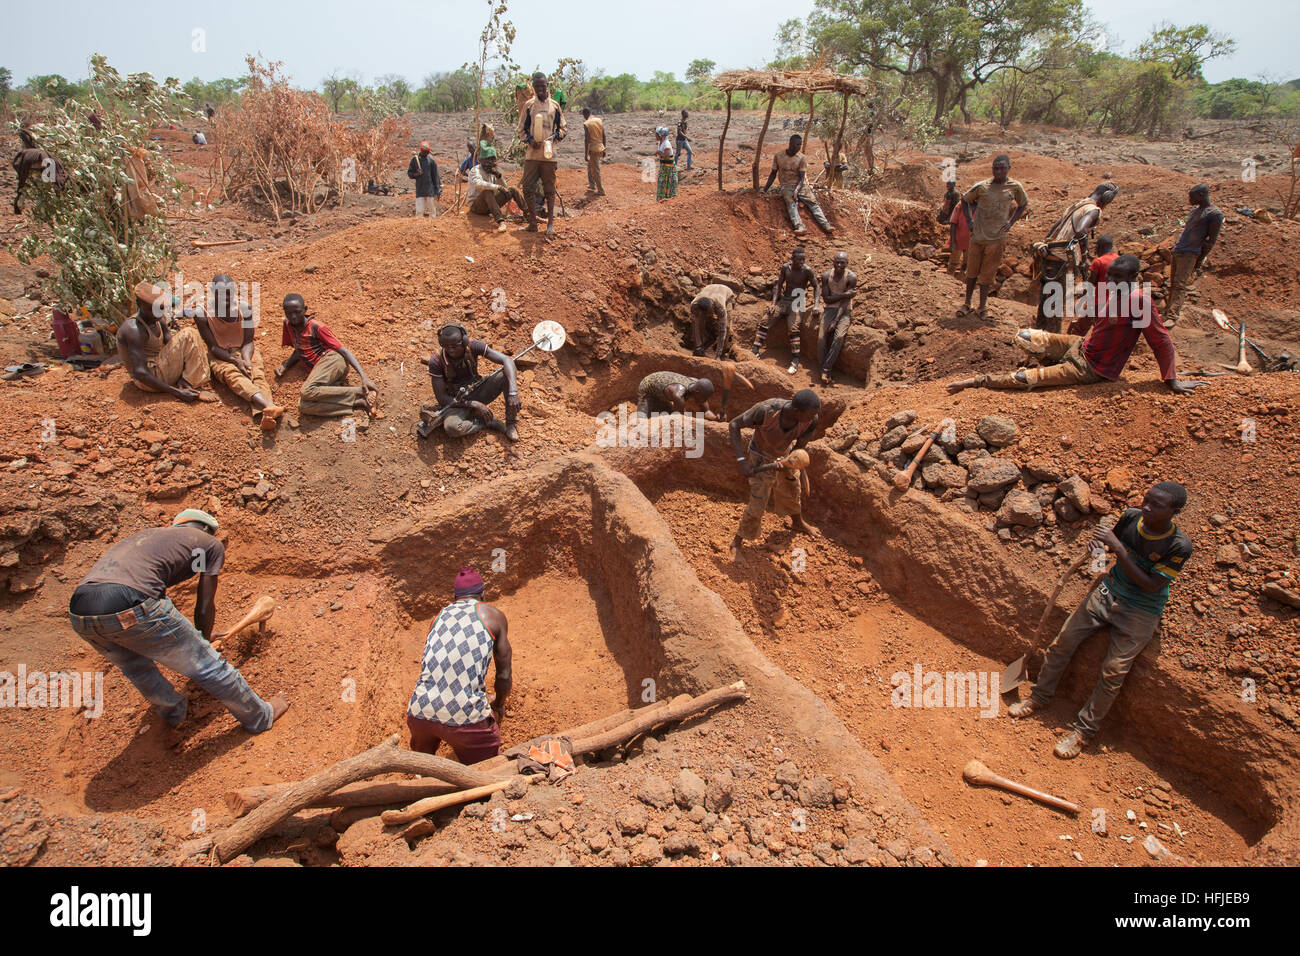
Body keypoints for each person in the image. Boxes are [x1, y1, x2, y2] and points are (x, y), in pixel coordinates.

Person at [1009, 482, 1194, 759]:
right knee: (1063, 642)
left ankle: (1084, 731)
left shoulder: (1179, 546)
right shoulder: (1132, 517)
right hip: (1108, 591)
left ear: (1175, 511)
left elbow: (1150, 585)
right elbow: (1104, 551)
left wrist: (1118, 548)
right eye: (1146, 500)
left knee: (1113, 672)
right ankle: (1039, 696)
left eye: (1156, 505)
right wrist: (1097, 547)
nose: (1146, 507)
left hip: (1142, 608)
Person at [67, 510, 289, 734]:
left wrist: (193, 634)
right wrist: (201, 641)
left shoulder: (151, 538)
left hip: (80, 613)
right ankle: (261, 717)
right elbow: (204, 604)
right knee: (207, 664)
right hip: (130, 603)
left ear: (180, 524)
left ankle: (175, 714)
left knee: (136, 667)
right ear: (206, 530)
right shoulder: (208, 544)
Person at [946, 255, 1207, 396]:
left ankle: (977, 382)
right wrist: (1071, 339)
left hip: (1093, 367)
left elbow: (1160, 340)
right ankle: (1054, 362)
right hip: (1081, 347)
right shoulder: (1109, 291)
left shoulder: (1139, 301)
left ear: (1134, 278)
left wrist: (1171, 379)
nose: (1113, 281)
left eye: (1119, 278)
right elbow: (1088, 318)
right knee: (1024, 337)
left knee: (1025, 379)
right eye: (1111, 276)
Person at [407, 567, 511, 764]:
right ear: (483, 593)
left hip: (419, 712)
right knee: (487, 767)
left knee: (423, 765)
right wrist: (498, 706)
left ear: (455, 597)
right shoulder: (493, 616)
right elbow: (504, 676)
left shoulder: (438, 617)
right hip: (465, 719)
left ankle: (422, 779)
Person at [728, 390, 820, 559]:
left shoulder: (810, 420)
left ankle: (797, 523)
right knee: (758, 501)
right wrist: (742, 460)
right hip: (759, 455)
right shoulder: (766, 410)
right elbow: (734, 425)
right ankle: (737, 542)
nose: (814, 417)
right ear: (797, 410)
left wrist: (790, 462)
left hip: (785, 456)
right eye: (810, 414)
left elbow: (799, 446)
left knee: (793, 488)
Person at [191, 274, 285, 431]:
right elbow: (213, 347)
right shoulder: (202, 314)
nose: (226, 298)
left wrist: (246, 359)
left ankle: (266, 414)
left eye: (229, 293)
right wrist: (236, 361)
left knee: (256, 374)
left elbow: (249, 341)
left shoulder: (244, 309)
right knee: (234, 377)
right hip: (221, 354)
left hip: (246, 350)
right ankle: (269, 406)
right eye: (221, 293)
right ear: (212, 291)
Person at [1033, 181, 1118, 332]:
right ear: (1107, 198)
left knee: (1045, 305)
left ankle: (1036, 340)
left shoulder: (1077, 205)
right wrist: (1084, 257)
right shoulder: (1093, 210)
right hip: (1061, 262)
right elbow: (1080, 230)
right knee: (1055, 308)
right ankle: (1050, 346)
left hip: (1050, 258)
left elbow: (1052, 230)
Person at [275, 294, 377, 418]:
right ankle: (358, 402)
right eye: (289, 313)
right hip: (321, 373)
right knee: (304, 406)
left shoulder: (317, 327)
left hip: (333, 361)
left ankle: (362, 391)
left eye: (297, 312)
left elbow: (344, 351)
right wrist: (285, 365)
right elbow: (299, 349)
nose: (293, 317)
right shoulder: (288, 325)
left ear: (305, 309)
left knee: (307, 391)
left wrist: (364, 377)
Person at [418, 323, 521, 441]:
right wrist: (474, 404)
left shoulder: (474, 346)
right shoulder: (436, 360)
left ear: (464, 341)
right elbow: (441, 398)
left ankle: (511, 424)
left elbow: (507, 360)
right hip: (456, 402)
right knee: (452, 428)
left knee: (505, 375)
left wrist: (513, 392)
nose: (450, 350)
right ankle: (484, 422)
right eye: (446, 346)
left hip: (477, 391)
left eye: (455, 345)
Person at [957, 154, 1029, 320]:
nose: (998, 171)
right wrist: (969, 220)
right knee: (972, 272)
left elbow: (1023, 204)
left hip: (997, 238)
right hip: (978, 236)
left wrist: (1011, 222)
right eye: (995, 168)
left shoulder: (1015, 187)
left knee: (987, 274)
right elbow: (965, 199)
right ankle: (967, 303)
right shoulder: (982, 186)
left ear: (1008, 168)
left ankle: (982, 306)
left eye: (1002, 168)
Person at [118, 282, 214, 403]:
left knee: (188, 337)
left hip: (160, 366)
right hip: (147, 380)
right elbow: (140, 373)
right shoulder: (133, 330)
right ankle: (190, 385)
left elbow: (171, 344)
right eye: (153, 310)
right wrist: (177, 393)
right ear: (139, 305)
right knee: (189, 333)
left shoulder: (158, 318)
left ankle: (185, 381)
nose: (158, 313)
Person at [754, 247, 819, 375]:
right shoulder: (785, 268)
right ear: (792, 259)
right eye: (799, 260)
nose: (801, 262)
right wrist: (773, 304)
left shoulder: (807, 271)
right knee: (766, 320)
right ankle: (755, 350)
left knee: (793, 328)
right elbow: (779, 285)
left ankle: (795, 360)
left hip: (798, 302)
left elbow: (817, 287)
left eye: (803, 260)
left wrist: (816, 305)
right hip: (784, 300)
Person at [1165, 184, 1223, 327]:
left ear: (1202, 195)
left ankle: (1172, 316)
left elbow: (1211, 240)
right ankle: (1167, 313)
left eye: (1192, 196)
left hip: (1190, 253)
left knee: (1180, 284)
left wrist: (1200, 258)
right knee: (1173, 283)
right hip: (1179, 250)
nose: (1190, 199)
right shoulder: (1195, 211)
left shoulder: (1214, 214)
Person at [518, 72, 566, 238]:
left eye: (542, 86)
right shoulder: (529, 105)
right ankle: (532, 222)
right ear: (533, 86)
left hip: (548, 154)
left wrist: (553, 138)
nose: (540, 89)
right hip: (532, 154)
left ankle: (550, 223)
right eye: (537, 86)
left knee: (549, 189)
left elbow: (563, 129)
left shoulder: (555, 106)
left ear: (547, 85)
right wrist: (531, 141)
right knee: (527, 188)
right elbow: (521, 130)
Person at [763, 135, 834, 237]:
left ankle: (826, 225)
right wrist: (765, 189)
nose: (799, 146)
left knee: (813, 202)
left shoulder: (801, 158)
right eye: (797, 144)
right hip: (786, 185)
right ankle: (799, 226)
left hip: (800, 185)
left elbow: (802, 178)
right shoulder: (779, 156)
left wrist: (797, 189)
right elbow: (773, 173)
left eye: (800, 144)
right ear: (790, 143)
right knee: (790, 202)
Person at [817, 252, 858, 386]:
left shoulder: (851, 277)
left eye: (843, 263)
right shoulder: (826, 276)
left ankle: (826, 369)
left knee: (839, 337)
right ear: (833, 262)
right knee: (821, 339)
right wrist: (845, 294)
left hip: (844, 310)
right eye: (837, 262)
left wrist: (835, 321)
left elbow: (845, 302)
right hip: (829, 308)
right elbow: (826, 299)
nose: (839, 265)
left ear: (847, 264)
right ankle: (823, 368)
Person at [466, 146, 526, 232]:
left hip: (490, 206)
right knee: (487, 191)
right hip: (477, 207)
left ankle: (529, 214)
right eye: (486, 160)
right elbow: (479, 184)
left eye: (491, 160)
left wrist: (498, 176)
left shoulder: (492, 171)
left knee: (512, 189)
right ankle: (500, 221)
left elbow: (505, 187)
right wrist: (498, 187)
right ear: (481, 160)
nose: (489, 163)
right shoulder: (475, 170)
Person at [1068, 235, 1117, 336]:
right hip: (1117, 302)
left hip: (1100, 303)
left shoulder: (1098, 262)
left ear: (1099, 248)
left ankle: (1073, 348)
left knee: (1080, 329)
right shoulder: (1119, 260)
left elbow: (1090, 284)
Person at [635, 371, 717, 420]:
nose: (706, 400)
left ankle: (659, 402)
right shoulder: (678, 395)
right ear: (697, 392)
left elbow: (706, 411)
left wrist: (716, 418)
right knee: (642, 420)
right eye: (705, 397)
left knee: (667, 412)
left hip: (663, 390)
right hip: (647, 388)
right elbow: (680, 418)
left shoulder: (696, 385)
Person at [688, 283, 737, 359]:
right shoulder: (694, 305)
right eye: (705, 313)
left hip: (727, 293)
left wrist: (718, 355)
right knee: (700, 321)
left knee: (726, 326)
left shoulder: (720, 307)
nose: (708, 315)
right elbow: (696, 325)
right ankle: (704, 344)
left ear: (713, 307)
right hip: (709, 288)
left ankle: (723, 352)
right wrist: (698, 346)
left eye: (709, 312)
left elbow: (722, 331)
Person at [407, 141, 441, 217]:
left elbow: (435, 176)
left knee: (432, 211)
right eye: (424, 152)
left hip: (430, 190)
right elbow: (410, 174)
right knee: (419, 211)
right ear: (421, 150)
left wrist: (438, 189)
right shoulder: (415, 160)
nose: (425, 153)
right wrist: (416, 174)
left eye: (427, 152)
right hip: (420, 189)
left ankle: (432, 225)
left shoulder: (431, 160)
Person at [582, 107, 606, 196]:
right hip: (600, 147)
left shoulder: (586, 124)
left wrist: (585, 153)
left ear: (584, 115)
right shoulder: (599, 120)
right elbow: (604, 135)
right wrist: (604, 148)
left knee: (595, 169)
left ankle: (601, 190)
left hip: (593, 149)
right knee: (590, 165)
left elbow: (587, 140)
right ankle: (592, 184)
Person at [655, 126, 678, 201]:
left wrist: (659, 153)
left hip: (668, 169)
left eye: (656, 134)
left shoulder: (666, 144)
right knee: (663, 183)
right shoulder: (662, 143)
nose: (655, 135)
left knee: (666, 183)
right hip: (665, 168)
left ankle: (666, 200)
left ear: (660, 135)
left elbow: (667, 156)